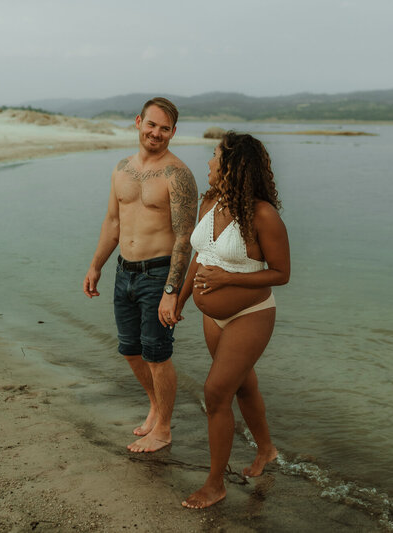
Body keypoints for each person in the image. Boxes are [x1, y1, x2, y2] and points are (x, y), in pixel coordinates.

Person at [176, 132, 290, 508]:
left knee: (215, 393)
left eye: (214, 156)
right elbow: (199, 256)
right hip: (212, 318)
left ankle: (215, 484)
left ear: (232, 166)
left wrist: (228, 279)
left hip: (250, 315)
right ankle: (267, 449)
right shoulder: (210, 201)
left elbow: (281, 273)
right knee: (242, 386)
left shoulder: (263, 215)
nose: (208, 162)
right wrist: (177, 300)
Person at [83, 97, 197, 453]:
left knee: (157, 355)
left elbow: (184, 239)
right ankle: (155, 406)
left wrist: (171, 291)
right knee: (131, 350)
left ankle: (163, 428)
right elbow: (113, 222)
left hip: (158, 274)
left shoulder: (178, 175)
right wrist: (96, 265)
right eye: (152, 125)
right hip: (123, 272)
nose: (156, 133)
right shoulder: (121, 169)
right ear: (138, 122)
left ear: (174, 132)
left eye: (165, 128)